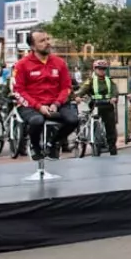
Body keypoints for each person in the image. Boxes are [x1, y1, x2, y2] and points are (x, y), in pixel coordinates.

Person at [12, 29, 79, 162]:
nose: (47, 43)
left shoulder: (59, 62)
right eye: (42, 41)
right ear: (32, 46)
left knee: (73, 120)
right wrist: (38, 106)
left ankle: (53, 144)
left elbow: (66, 87)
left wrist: (57, 103)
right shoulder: (22, 65)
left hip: (56, 103)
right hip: (31, 105)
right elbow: (19, 91)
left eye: (48, 39)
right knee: (37, 121)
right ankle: (34, 145)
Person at [80, 59, 119, 157]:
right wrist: (77, 96)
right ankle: (95, 141)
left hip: (108, 105)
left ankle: (112, 149)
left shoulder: (109, 80)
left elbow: (115, 90)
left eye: (103, 69)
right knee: (94, 122)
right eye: (99, 69)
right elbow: (82, 90)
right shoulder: (90, 80)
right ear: (94, 69)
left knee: (111, 127)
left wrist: (114, 97)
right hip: (95, 105)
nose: (101, 71)